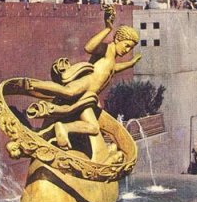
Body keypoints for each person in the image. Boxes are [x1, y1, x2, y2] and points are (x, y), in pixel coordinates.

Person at [23, 10, 142, 150]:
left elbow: (113, 68)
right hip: (87, 83)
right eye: (126, 45)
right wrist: (108, 28)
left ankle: (64, 128)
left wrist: (131, 63)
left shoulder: (111, 58)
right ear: (117, 39)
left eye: (131, 48)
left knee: (93, 127)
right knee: (67, 92)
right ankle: (33, 84)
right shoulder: (107, 49)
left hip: (88, 97)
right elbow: (89, 47)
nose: (127, 50)